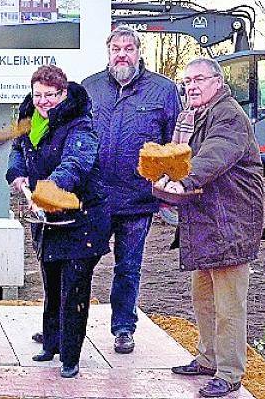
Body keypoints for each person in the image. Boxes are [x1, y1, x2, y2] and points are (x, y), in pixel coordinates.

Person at [159, 58, 263, 398]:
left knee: (229, 304)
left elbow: (215, 154)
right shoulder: (195, 115)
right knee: (203, 296)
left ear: (218, 82)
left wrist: (184, 180)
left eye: (199, 79)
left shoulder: (229, 115)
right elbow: (181, 152)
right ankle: (207, 358)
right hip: (206, 222)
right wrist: (162, 174)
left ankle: (230, 372)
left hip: (231, 221)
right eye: (187, 80)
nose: (191, 85)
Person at [80, 26, 181, 354]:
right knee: (79, 263)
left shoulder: (163, 90)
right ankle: (64, 325)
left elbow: (174, 140)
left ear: (139, 52)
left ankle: (123, 327)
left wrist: (166, 180)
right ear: (108, 53)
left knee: (128, 266)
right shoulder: (89, 88)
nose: (122, 54)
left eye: (128, 48)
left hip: (138, 199)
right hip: (95, 197)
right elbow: (74, 135)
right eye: (116, 49)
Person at [6, 65, 110, 379]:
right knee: (51, 284)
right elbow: (17, 149)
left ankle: (70, 355)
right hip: (47, 219)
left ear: (63, 93)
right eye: (38, 95)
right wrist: (18, 174)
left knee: (74, 288)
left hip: (83, 219)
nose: (43, 101)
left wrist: (48, 189)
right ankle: (50, 343)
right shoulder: (30, 120)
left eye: (50, 95)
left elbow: (75, 164)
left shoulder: (81, 125)